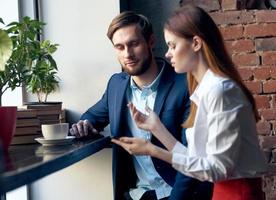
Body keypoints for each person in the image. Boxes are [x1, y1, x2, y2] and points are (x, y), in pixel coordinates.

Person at [112, 5, 268, 200]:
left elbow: (216, 170)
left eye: (172, 45)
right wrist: (156, 128)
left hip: (238, 193)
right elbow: (197, 160)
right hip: (224, 192)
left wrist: (153, 150)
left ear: (195, 43)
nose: (168, 54)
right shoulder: (205, 89)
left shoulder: (220, 91)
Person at [70, 11, 213, 200]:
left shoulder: (185, 84)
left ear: (151, 42)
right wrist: (85, 124)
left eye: (134, 44)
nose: (127, 54)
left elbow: (192, 157)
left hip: (177, 192)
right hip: (136, 194)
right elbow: (94, 116)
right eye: (119, 47)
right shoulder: (116, 84)